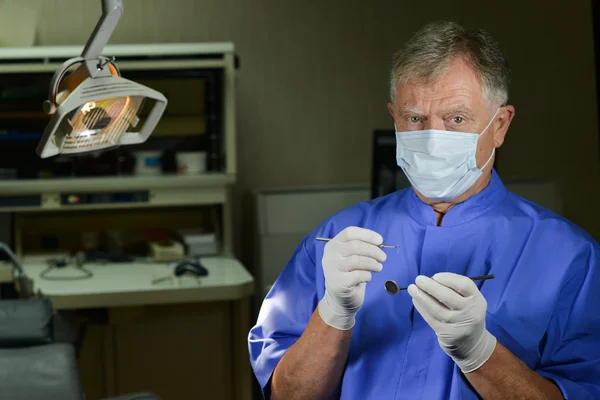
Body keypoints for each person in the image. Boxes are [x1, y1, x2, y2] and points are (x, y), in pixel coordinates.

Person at [248, 20, 600, 399]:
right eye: (415, 119)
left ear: (499, 125)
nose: (433, 139)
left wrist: (480, 353)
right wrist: (333, 312)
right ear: (394, 117)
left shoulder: (569, 258)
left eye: (456, 119)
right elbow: (288, 394)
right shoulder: (337, 238)